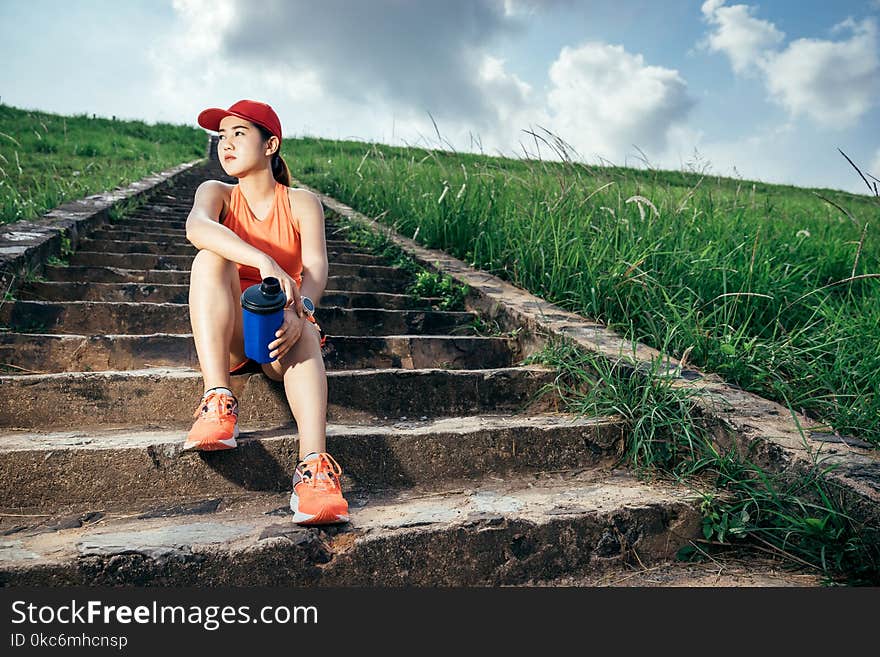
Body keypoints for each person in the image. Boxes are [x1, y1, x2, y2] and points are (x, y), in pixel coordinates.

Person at [182, 99, 349, 526]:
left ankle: (313, 472)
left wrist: (302, 314)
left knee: (308, 333)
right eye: (222, 136)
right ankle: (218, 399)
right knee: (208, 259)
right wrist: (263, 260)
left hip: (282, 329)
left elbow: (315, 271)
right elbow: (197, 227)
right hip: (234, 329)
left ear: (270, 144)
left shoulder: (300, 201)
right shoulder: (215, 192)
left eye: (240, 134)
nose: (227, 144)